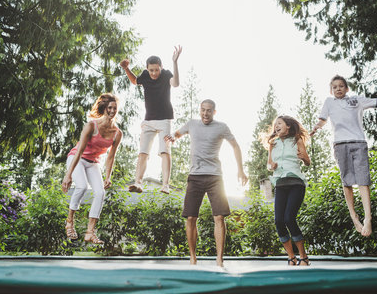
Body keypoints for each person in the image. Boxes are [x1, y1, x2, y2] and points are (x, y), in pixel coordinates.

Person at [310, 75, 377, 237]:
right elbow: (322, 120)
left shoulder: (356, 100)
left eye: (341, 86)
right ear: (331, 90)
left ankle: (368, 217)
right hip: (340, 144)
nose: (338, 89)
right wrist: (316, 127)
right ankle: (354, 217)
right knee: (346, 181)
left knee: (363, 180)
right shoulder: (329, 102)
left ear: (347, 88)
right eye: (335, 87)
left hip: (359, 143)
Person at [166, 99, 248, 267]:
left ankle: (219, 259)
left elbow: (235, 146)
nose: (205, 113)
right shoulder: (192, 124)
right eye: (203, 110)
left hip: (215, 177)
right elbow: (177, 133)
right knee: (190, 217)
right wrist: (173, 137)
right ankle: (193, 258)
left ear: (214, 112)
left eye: (209, 110)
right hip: (195, 176)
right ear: (200, 110)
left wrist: (240, 170)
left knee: (219, 216)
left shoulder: (222, 127)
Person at [61, 93, 123, 244]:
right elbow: (80, 150)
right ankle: (69, 222)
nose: (112, 111)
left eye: (115, 108)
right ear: (104, 108)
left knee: (100, 192)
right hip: (77, 159)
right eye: (110, 107)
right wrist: (68, 175)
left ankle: (90, 232)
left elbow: (110, 157)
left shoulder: (117, 133)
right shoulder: (91, 125)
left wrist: (108, 176)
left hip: (93, 163)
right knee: (81, 186)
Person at [120, 46, 182, 194]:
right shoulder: (145, 75)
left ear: (161, 67)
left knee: (164, 151)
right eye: (151, 70)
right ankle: (138, 183)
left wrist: (175, 62)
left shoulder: (166, 74)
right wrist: (126, 69)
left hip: (164, 120)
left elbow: (176, 84)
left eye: (156, 70)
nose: (154, 73)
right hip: (148, 120)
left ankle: (165, 185)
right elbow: (135, 81)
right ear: (147, 69)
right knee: (143, 152)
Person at [263, 115, 311, 266]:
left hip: (296, 183)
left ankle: (303, 256)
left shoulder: (297, 140)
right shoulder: (273, 143)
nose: (276, 126)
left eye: (279, 124)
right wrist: (272, 166)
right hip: (280, 184)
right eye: (275, 125)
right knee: (279, 221)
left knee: (289, 218)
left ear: (288, 126)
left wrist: (304, 157)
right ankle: (291, 256)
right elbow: (269, 164)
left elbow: (307, 162)